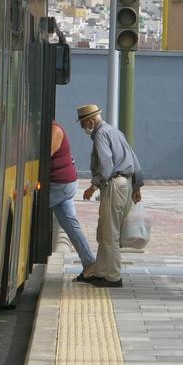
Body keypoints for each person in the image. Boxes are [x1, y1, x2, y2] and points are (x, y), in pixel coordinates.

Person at [77, 104, 143, 288]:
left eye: (83, 125)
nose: (84, 129)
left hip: (114, 184)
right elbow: (134, 159)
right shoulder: (115, 132)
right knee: (105, 230)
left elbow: (105, 165)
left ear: (90, 121)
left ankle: (113, 277)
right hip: (125, 184)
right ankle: (101, 272)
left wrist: (93, 186)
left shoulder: (100, 135)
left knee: (110, 233)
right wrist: (137, 186)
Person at [49, 120, 96, 280]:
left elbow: (44, 155)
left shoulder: (55, 130)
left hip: (60, 185)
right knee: (71, 225)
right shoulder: (51, 129)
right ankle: (90, 264)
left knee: (27, 208)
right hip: (64, 184)